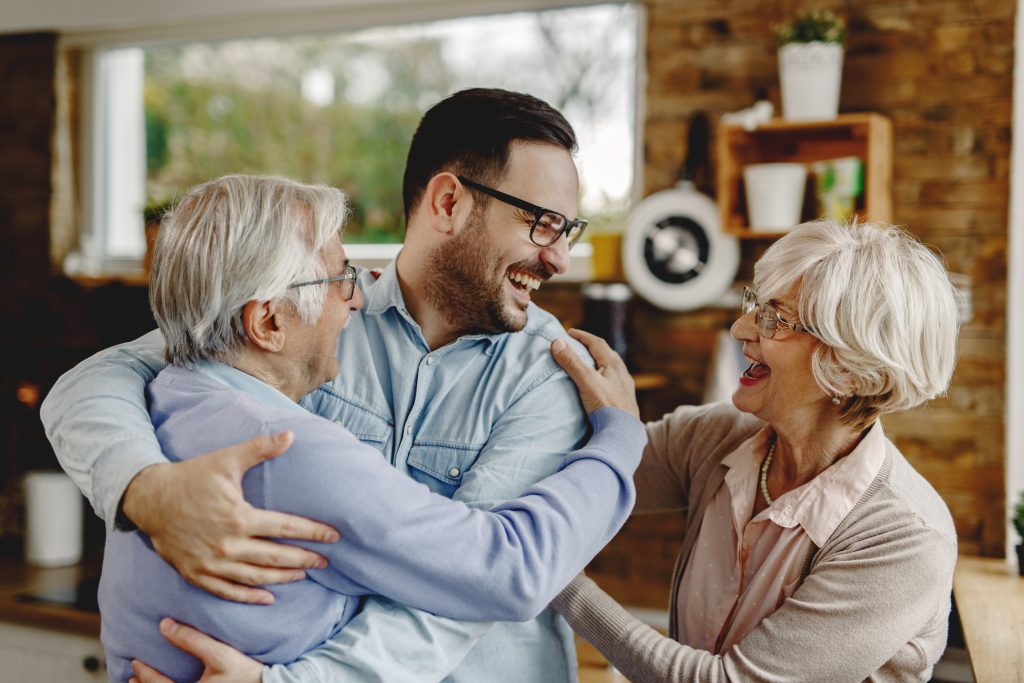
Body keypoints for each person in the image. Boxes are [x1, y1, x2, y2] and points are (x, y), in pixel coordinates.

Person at [42, 88, 602, 681]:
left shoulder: (552, 371)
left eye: (569, 230)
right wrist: (147, 490)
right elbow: (96, 380)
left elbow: (469, 589)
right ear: (447, 202)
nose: (560, 258)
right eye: (541, 224)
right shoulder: (310, 315)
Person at [546, 220, 961, 681]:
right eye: (755, 305)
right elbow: (574, 480)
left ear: (850, 370)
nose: (740, 328)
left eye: (775, 319)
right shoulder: (715, 438)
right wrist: (611, 427)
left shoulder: (904, 542)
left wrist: (547, 575)